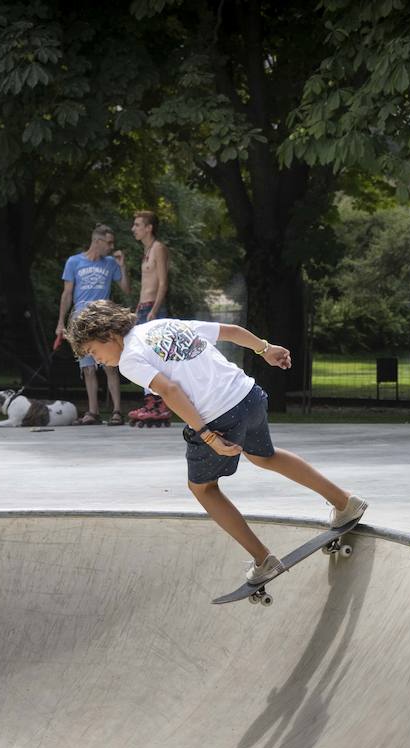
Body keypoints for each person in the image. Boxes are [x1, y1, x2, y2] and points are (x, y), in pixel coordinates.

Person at [65, 300, 367, 585]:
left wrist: (206, 434)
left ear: (107, 334)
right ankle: (344, 501)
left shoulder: (131, 358)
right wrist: (265, 349)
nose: (99, 360)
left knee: (203, 489)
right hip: (249, 395)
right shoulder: (164, 325)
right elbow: (231, 333)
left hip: (219, 416)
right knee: (265, 457)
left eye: (94, 351)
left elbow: (170, 390)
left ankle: (263, 560)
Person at [55, 224, 131, 425]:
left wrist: (122, 265)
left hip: (103, 319)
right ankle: (93, 412)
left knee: (110, 366)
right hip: (80, 321)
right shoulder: (74, 262)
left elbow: (126, 289)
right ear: (97, 242)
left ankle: (116, 411)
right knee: (88, 368)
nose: (111, 246)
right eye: (108, 242)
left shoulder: (110, 263)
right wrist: (61, 322)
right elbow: (67, 293)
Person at [128, 209, 172, 423]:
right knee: (143, 357)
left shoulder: (158, 248)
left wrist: (155, 310)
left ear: (149, 228)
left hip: (154, 310)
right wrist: (139, 309)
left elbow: (163, 283)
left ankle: (160, 403)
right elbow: (146, 285)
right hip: (143, 308)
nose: (133, 229)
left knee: (155, 357)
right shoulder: (146, 251)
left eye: (137, 225)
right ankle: (150, 402)